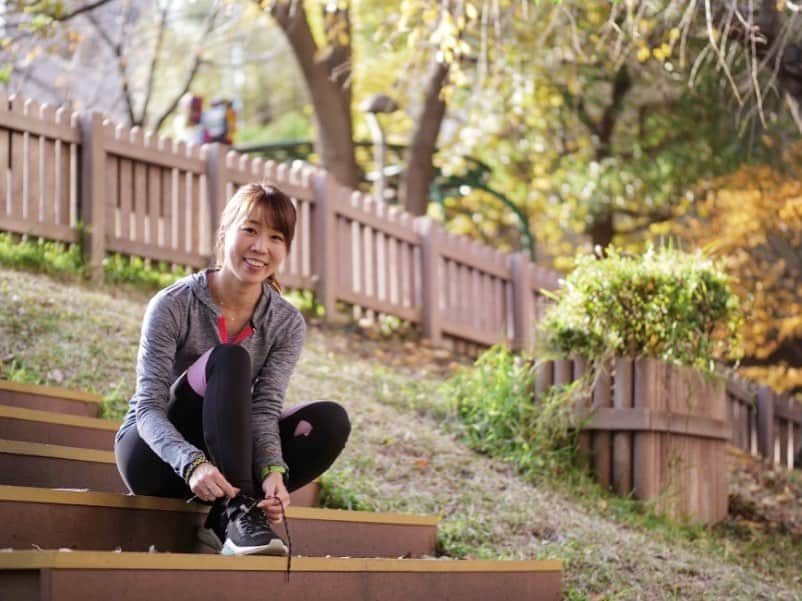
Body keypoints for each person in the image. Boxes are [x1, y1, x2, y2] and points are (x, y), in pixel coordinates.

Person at [114, 183, 350, 557]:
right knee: (229, 358)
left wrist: (273, 470)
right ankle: (239, 512)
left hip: (226, 461)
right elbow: (147, 409)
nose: (261, 247)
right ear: (226, 232)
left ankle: (236, 513)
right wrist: (191, 463)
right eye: (250, 230)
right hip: (155, 459)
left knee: (330, 421)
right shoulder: (174, 304)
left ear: (285, 249)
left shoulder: (285, 322)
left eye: (275, 237)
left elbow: (264, 409)